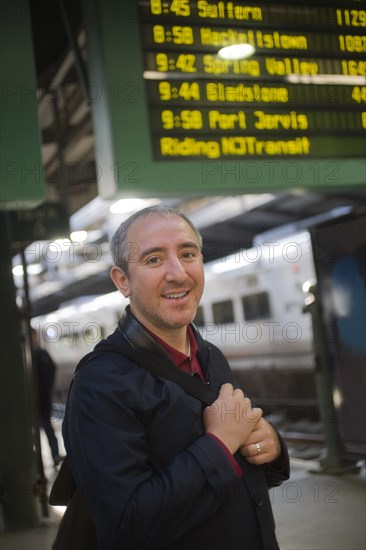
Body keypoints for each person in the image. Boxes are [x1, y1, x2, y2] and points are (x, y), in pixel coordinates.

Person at [62, 205, 290, 550]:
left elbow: (239, 477)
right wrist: (219, 443)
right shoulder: (100, 386)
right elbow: (125, 525)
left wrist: (271, 447)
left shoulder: (211, 356)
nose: (178, 273)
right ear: (123, 281)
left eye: (188, 253)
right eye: (154, 260)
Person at [32, 329, 63, 466]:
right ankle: (35, 461)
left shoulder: (41, 353)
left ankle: (55, 455)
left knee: (48, 428)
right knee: (33, 431)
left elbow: (52, 368)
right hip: (31, 400)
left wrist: (47, 387)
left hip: (43, 398)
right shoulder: (28, 355)